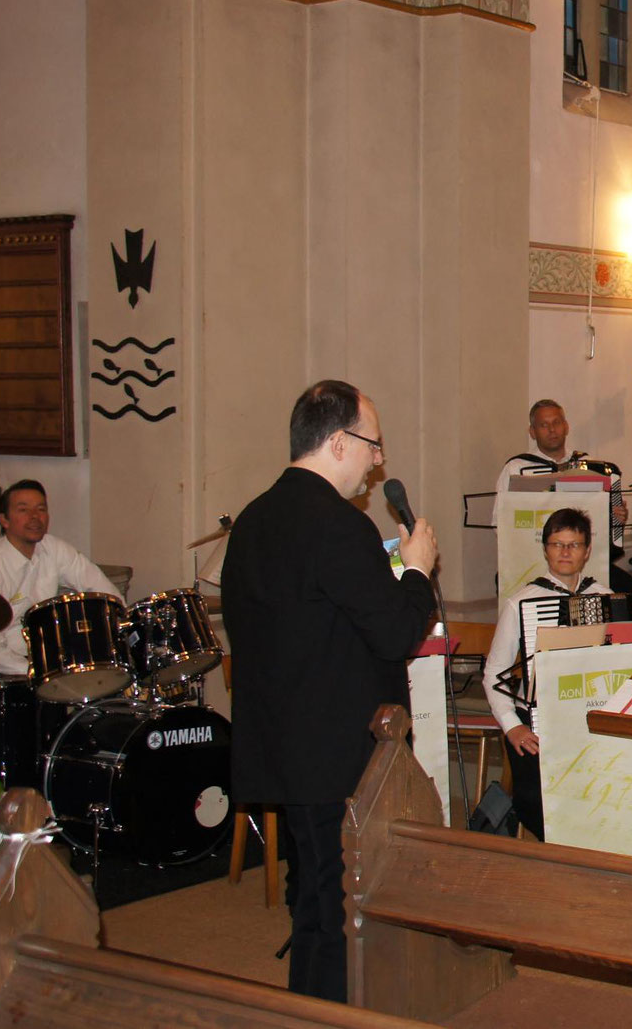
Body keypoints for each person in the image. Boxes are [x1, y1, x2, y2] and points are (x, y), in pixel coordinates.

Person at [223, 379, 437, 1003]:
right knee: (345, 912)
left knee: (316, 903)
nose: (378, 460)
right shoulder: (340, 527)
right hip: (340, 753)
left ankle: (307, 1012)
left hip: (282, 745)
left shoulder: (254, 519)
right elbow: (397, 631)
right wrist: (417, 568)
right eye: (373, 445)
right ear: (340, 442)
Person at [482, 507, 615, 841]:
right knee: (536, 802)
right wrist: (513, 727)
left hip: (592, 716)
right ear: (545, 549)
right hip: (538, 722)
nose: (565, 552)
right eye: (557, 544)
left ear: (586, 551)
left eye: (574, 545)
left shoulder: (607, 598)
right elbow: (494, 672)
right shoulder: (522, 603)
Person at [0, 479, 122, 677]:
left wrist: (120, 627)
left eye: (41, 509)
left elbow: (103, 590)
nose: (35, 517)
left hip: (37, 656)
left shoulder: (52, 548)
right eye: (23, 510)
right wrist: (45, 674)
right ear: (4, 520)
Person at [498, 398, 632, 595]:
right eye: (543, 425)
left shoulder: (588, 465)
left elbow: (601, 517)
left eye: (556, 423)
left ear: (566, 426)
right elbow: (499, 523)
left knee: (627, 587)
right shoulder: (516, 468)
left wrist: (616, 518)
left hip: (582, 559)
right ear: (532, 432)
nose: (552, 430)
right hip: (532, 557)